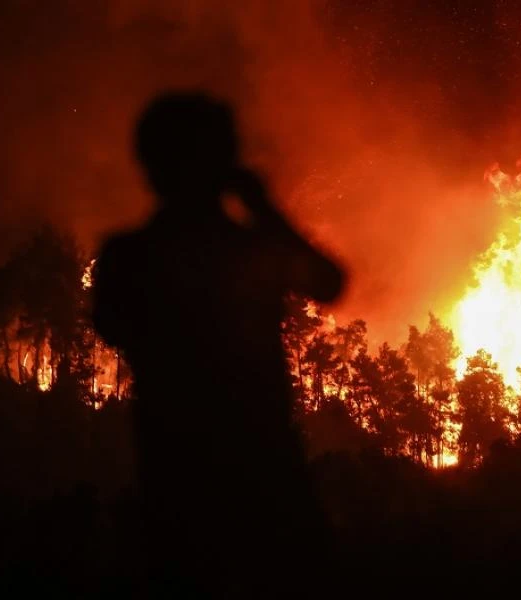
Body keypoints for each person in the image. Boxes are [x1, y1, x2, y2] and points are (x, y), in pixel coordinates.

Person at [91, 92, 344, 595]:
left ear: (148, 167)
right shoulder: (251, 249)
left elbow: (111, 326)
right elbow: (329, 283)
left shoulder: (128, 256)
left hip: (176, 486)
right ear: (228, 164)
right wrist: (264, 210)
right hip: (266, 485)